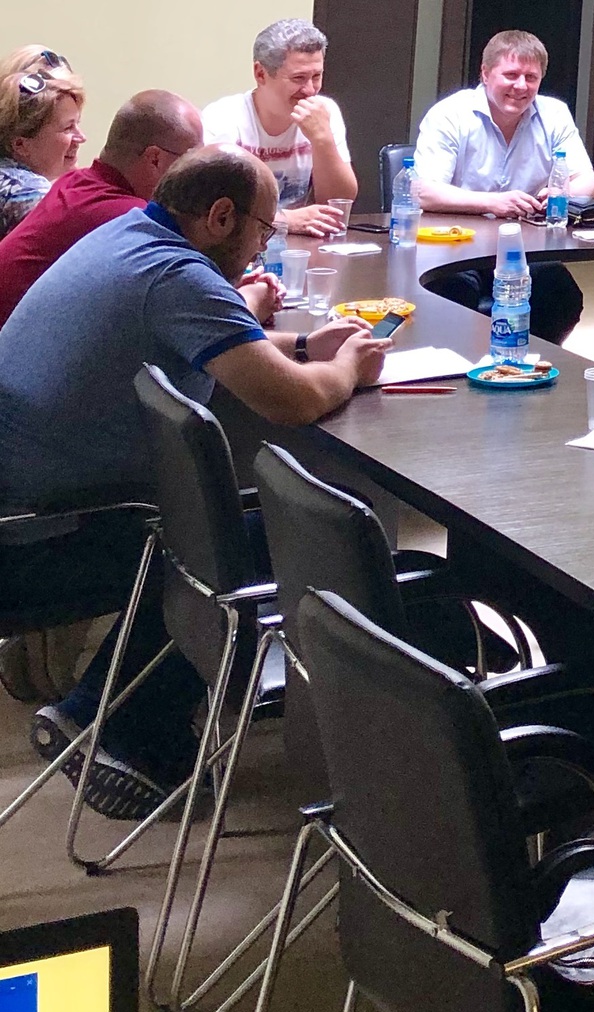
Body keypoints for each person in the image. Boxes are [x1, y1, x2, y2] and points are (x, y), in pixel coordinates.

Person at [0, 146, 387, 815]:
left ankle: (109, 710)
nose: (263, 246)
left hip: (31, 506)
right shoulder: (178, 277)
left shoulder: (128, 238)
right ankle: (117, 726)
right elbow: (291, 402)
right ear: (220, 216)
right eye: (263, 230)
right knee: (271, 539)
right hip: (36, 544)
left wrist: (301, 347)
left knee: (228, 525)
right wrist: (349, 366)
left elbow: (209, 340)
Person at [412, 29, 594, 343]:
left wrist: (561, 192)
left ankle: (526, 363)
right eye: (511, 75)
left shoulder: (554, 114)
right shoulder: (450, 114)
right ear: (485, 74)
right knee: (453, 292)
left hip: (524, 248)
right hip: (456, 245)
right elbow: (424, 191)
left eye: (531, 77)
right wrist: (492, 203)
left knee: (561, 296)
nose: (521, 86)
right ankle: (462, 363)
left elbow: (588, 182)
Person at [0, 90, 204, 327]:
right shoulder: (131, 221)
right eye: (191, 161)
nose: (195, 175)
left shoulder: (75, 182)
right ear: (155, 159)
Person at [201, 18, 357, 238]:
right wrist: (284, 220)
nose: (310, 90)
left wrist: (323, 140)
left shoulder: (325, 111)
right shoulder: (223, 117)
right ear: (260, 74)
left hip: (301, 244)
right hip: (239, 244)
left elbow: (339, 204)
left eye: (316, 76)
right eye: (298, 78)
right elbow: (212, 210)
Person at [0, 65, 86, 241]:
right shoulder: (29, 193)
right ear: (21, 145)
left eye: (77, 124)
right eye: (68, 128)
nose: (81, 138)